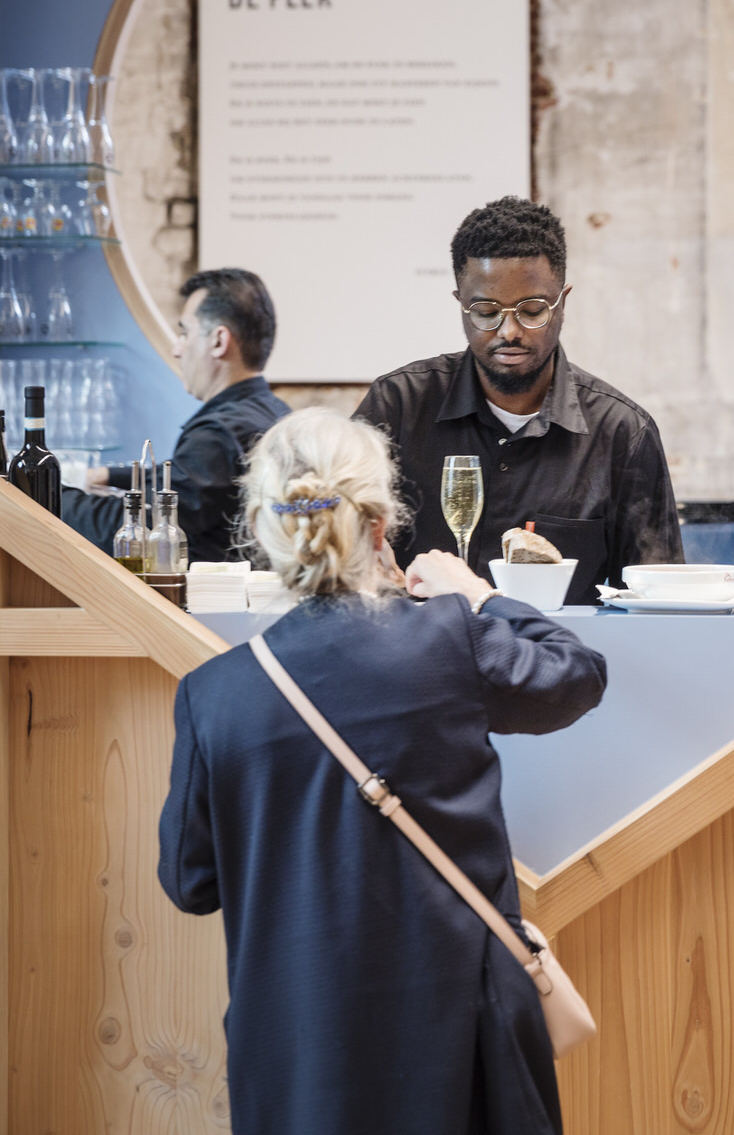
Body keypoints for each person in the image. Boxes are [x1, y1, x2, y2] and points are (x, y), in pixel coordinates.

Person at [158, 408, 606, 1135]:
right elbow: (575, 676)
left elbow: (190, 882)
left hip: (301, 1057)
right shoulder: (449, 640)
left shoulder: (215, 695)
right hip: (461, 1039)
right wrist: (476, 592)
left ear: (267, 533)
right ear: (379, 524)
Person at [356, 195, 684, 604]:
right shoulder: (398, 406)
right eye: (485, 310)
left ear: (562, 302)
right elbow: (327, 536)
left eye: (531, 310)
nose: (508, 331)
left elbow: (658, 598)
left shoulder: (620, 433)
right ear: (460, 303)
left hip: (554, 662)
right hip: (423, 662)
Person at [63, 267, 289, 562]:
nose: (176, 349)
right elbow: (186, 480)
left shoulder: (220, 433)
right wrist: (103, 475)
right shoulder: (272, 411)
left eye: (184, 333)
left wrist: (44, 490)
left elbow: (137, 528)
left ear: (219, 341)